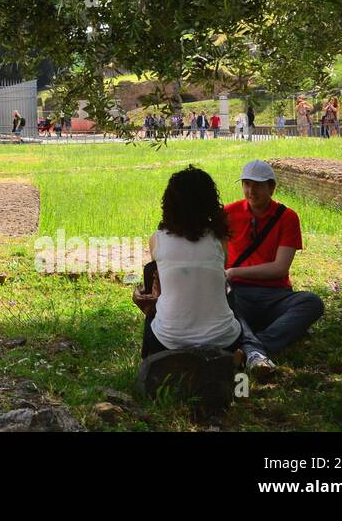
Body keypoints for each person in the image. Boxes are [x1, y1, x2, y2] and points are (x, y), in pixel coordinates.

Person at [132, 166, 249, 360]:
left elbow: (159, 285)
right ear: (210, 202)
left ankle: (148, 359)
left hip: (169, 341)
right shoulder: (219, 239)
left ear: (169, 203)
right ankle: (237, 360)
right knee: (227, 288)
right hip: (224, 340)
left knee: (151, 279)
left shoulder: (157, 239)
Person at [224, 160, 324, 375]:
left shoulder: (287, 217)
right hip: (238, 293)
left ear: (271, 187)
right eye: (246, 184)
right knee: (224, 304)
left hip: (274, 294)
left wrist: (233, 272)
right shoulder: (228, 214)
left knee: (311, 302)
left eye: (257, 185)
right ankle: (257, 350)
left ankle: (253, 348)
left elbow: (280, 268)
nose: (251, 191)